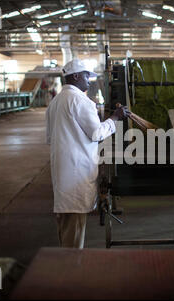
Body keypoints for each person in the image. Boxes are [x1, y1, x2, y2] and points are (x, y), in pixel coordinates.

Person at [46, 59, 129, 248]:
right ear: (75, 76)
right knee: (74, 231)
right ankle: (72, 271)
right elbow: (97, 133)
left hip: (62, 172)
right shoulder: (80, 100)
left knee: (66, 225)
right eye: (86, 76)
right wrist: (115, 118)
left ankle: (69, 264)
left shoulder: (55, 102)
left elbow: (51, 138)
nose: (88, 81)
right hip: (77, 173)